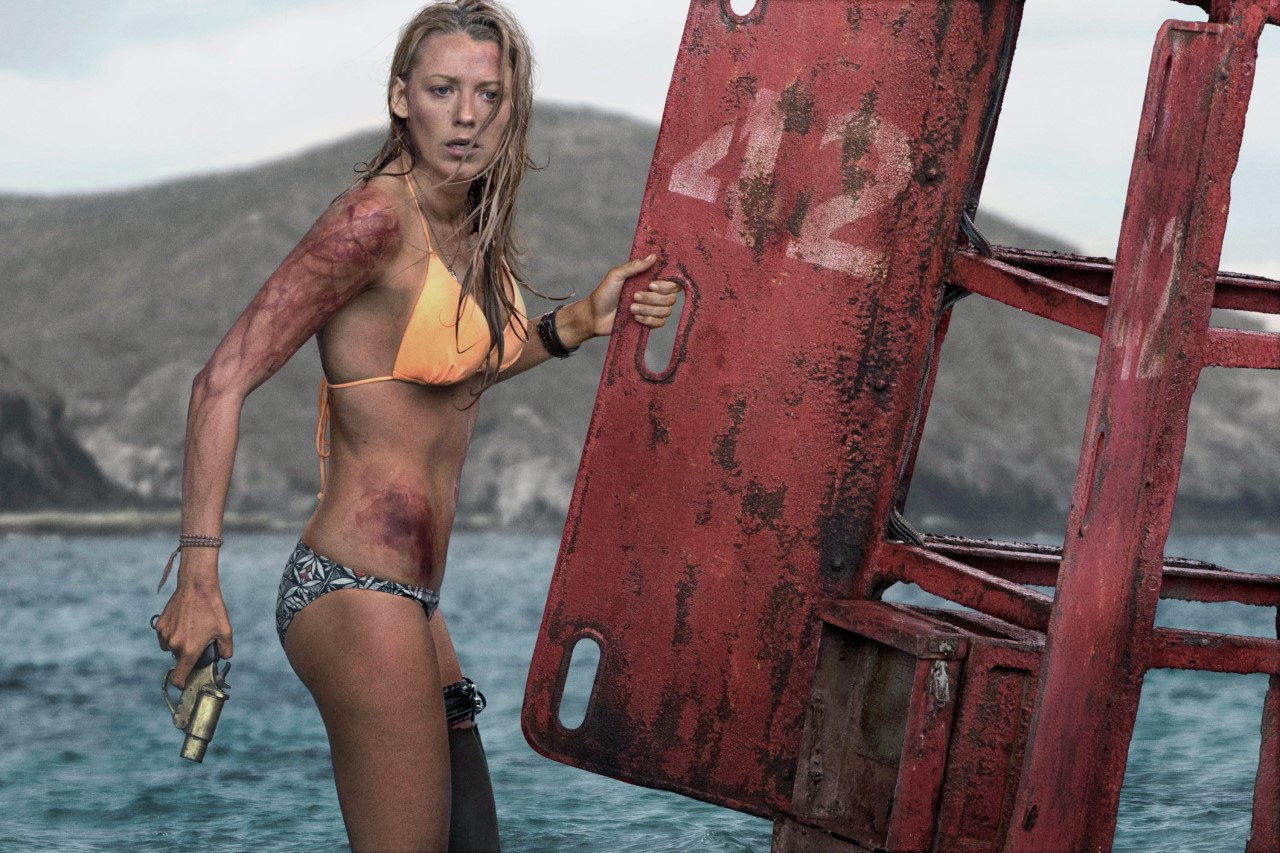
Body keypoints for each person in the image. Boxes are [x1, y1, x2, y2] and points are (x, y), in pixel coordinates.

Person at [151, 1, 679, 850]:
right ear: (402, 97)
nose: (467, 116)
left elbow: (451, 370)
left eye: (488, 94)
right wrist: (199, 579)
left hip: (416, 605)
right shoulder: (372, 222)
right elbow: (219, 382)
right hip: (351, 587)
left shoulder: (468, 222)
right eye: (442, 90)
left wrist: (578, 321)